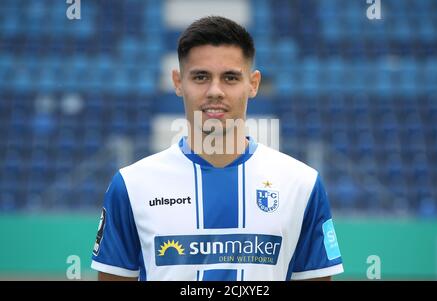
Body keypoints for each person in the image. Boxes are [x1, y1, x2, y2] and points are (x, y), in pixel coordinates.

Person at [91, 16, 343, 281]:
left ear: (253, 83)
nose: (215, 91)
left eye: (230, 78)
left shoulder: (301, 184)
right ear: (178, 82)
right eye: (200, 77)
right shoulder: (131, 185)